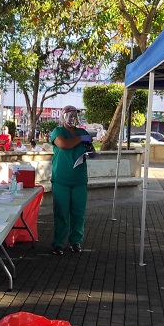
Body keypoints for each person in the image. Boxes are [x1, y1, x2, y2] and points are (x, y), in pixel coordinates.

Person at [50, 105, 93, 255]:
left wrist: (90, 148)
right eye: (70, 115)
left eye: (75, 115)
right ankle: (58, 243)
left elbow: (91, 151)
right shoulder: (58, 132)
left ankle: (76, 241)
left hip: (79, 179)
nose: (73, 118)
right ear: (63, 117)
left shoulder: (82, 132)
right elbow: (63, 144)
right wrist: (81, 139)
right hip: (61, 179)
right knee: (61, 212)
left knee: (78, 213)